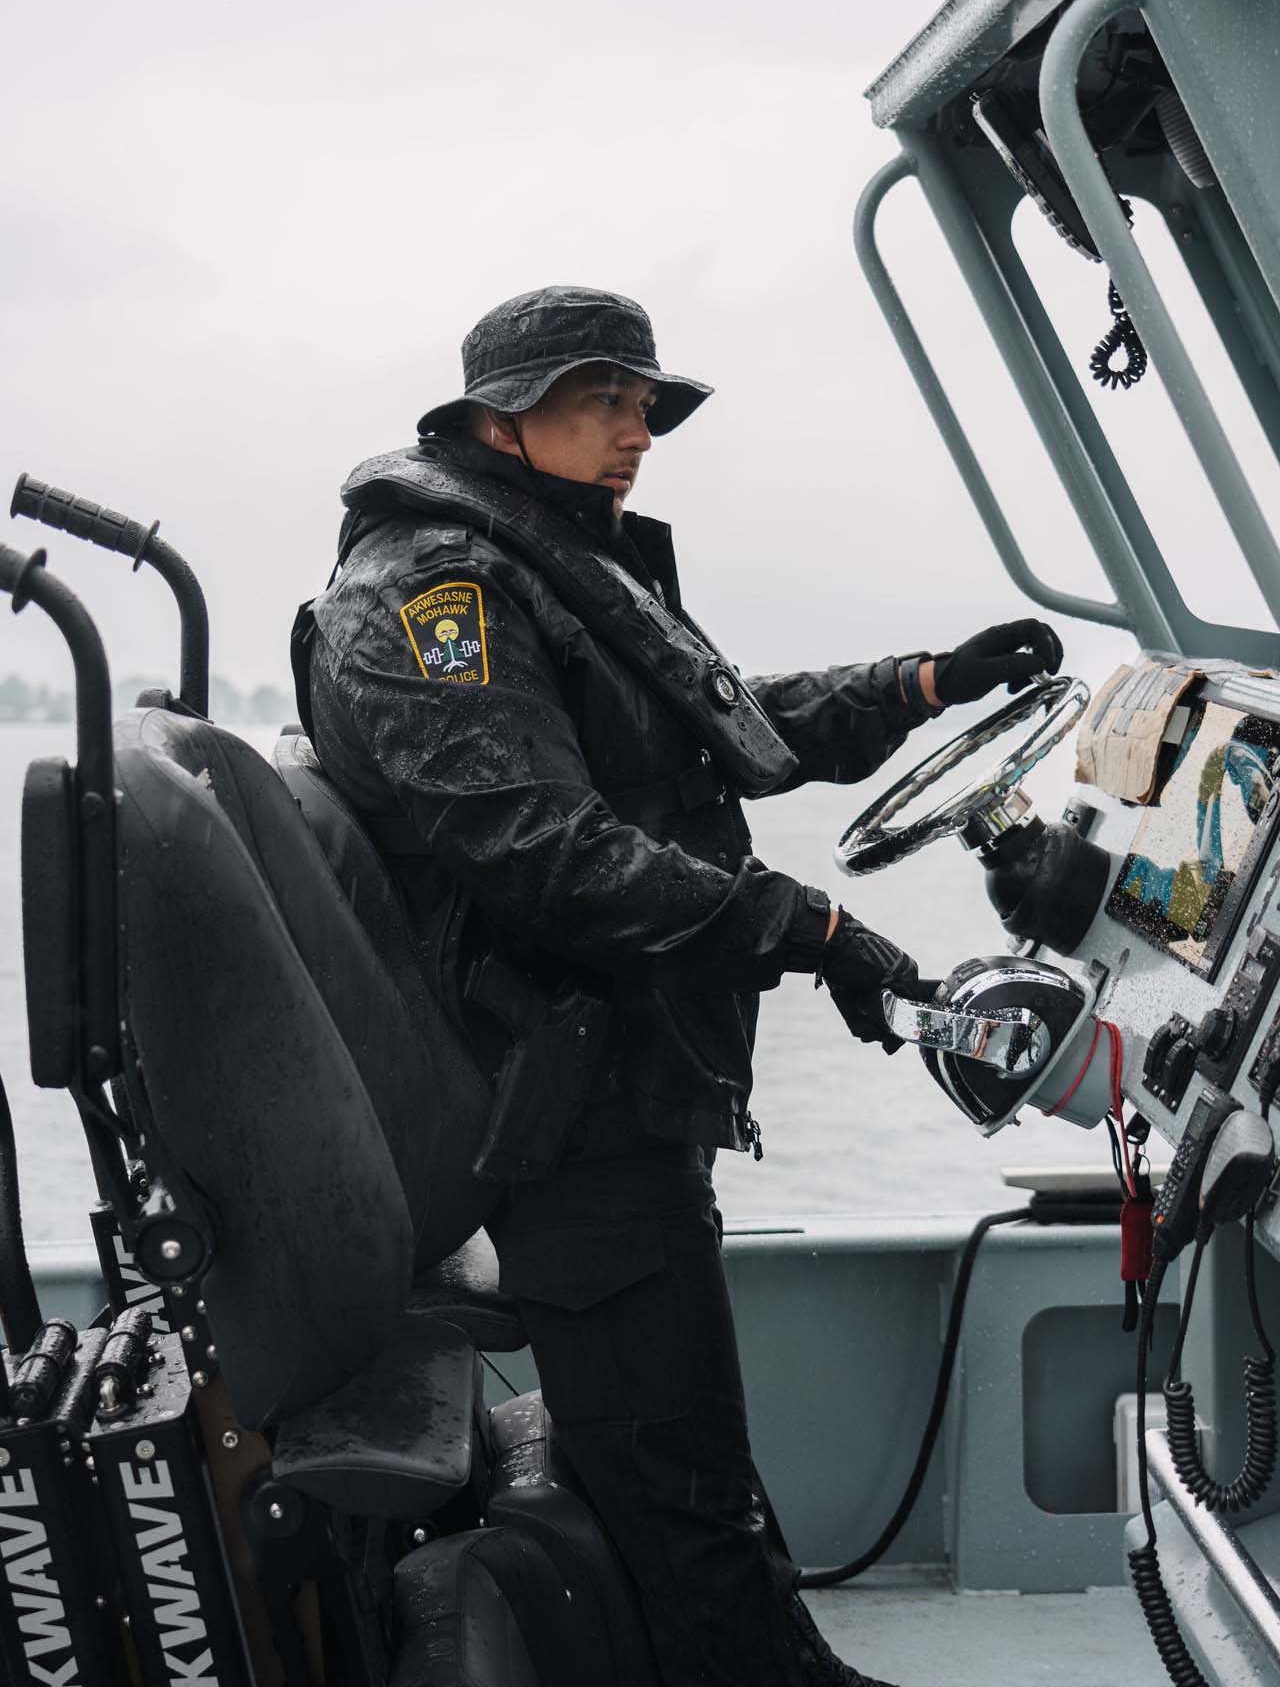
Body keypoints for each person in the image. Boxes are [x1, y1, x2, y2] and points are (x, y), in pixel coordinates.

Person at [299, 286, 1063, 1687]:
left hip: (617, 1071)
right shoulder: (434, 594)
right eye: (600, 399)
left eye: (644, 403)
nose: (635, 430)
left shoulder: (553, 559)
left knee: (679, 1437)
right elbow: (546, 849)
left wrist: (919, 682)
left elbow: (714, 721)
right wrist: (813, 928)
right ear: (495, 416)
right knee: (674, 1464)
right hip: (552, 1103)